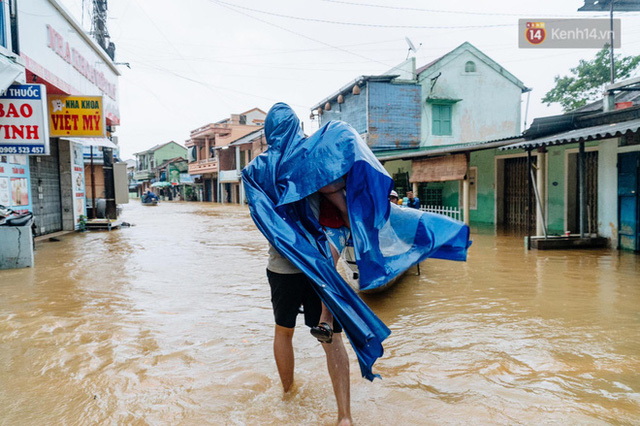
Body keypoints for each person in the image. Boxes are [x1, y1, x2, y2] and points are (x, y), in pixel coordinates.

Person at [266, 244, 352, 426]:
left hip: (284, 266)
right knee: (333, 338)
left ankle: (289, 395)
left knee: (283, 331)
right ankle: (345, 416)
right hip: (320, 269)